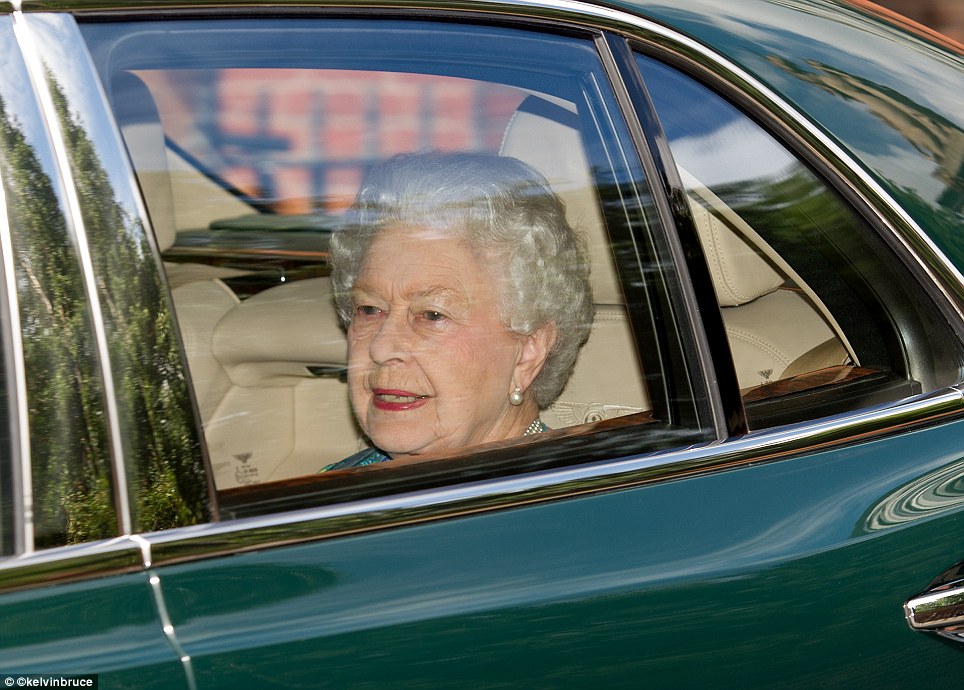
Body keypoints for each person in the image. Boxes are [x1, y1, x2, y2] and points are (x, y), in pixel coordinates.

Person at [322, 151, 593, 470]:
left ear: (528, 352)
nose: (381, 348)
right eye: (369, 309)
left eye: (432, 315)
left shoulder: (570, 501)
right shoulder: (331, 487)